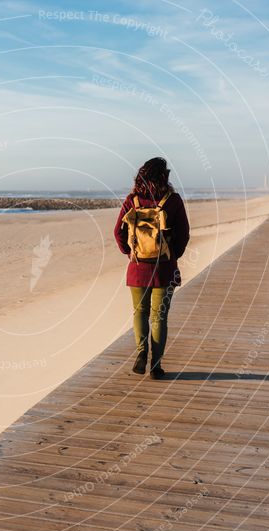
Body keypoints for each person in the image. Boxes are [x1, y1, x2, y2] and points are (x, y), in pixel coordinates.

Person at [113, 157, 190, 379]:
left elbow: (118, 232)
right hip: (164, 270)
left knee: (140, 312)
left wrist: (130, 253)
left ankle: (141, 352)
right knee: (159, 317)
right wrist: (171, 256)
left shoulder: (132, 201)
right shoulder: (173, 201)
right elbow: (184, 235)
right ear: (164, 177)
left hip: (137, 269)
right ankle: (155, 366)